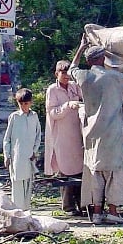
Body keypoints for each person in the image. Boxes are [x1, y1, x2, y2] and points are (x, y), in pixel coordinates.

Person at [69, 39, 123, 225]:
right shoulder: (113, 77)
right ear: (102, 59)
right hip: (112, 131)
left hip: (91, 133)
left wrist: (81, 46)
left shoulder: (83, 77)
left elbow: (71, 68)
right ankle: (113, 212)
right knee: (114, 170)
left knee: (95, 171)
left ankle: (97, 212)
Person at [44, 59, 84, 215]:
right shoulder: (52, 90)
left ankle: (83, 203)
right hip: (61, 135)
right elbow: (52, 112)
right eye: (63, 73)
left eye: (68, 73)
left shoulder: (74, 87)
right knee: (65, 169)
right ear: (57, 74)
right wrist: (67, 105)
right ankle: (68, 206)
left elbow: (84, 98)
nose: (66, 76)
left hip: (77, 133)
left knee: (79, 169)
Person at [2, 88, 42, 211]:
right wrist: (7, 155)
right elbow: (7, 138)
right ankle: (18, 212)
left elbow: (38, 135)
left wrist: (35, 151)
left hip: (29, 157)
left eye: (26, 103)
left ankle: (26, 212)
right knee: (17, 184)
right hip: (16, 157)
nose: (24, 106)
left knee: (28, 185)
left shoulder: (34, 116)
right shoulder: (14, 117)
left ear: (31, 103)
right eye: (21, 104)